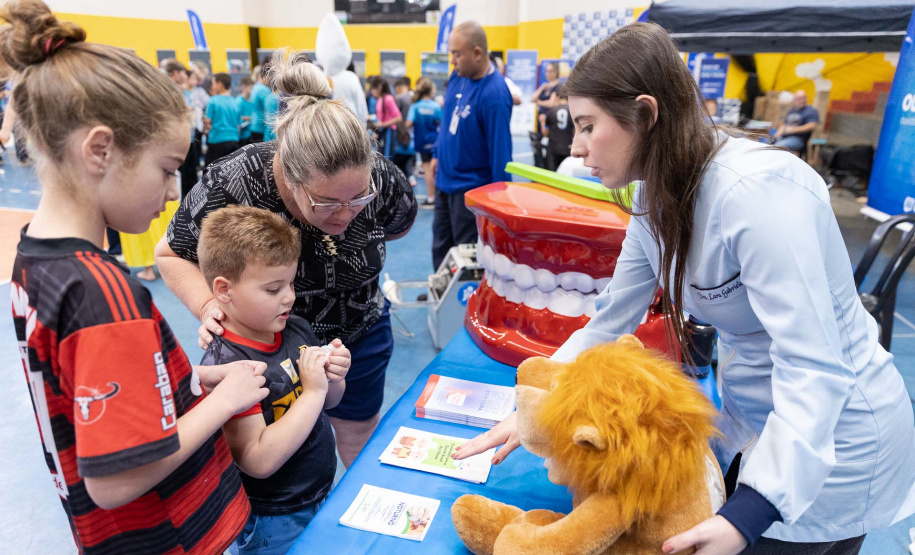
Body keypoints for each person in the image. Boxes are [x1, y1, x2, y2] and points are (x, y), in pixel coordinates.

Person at [454, 23, 915, 555]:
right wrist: (536, 407)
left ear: (646, 114)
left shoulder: (758, 196)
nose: (577, 148)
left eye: (587, 126)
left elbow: (813, 366)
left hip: (838, 439)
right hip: (755, 421)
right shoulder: (654, 199)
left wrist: (749, 513)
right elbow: (608, 321)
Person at [4, 1, 270, 553]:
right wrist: (223, 405)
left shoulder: (35, 260)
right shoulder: (103, 293)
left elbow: (93, 398)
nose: (173, 193)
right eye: (167, 169)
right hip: (188, 538)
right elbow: (115, 478)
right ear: (100, 150)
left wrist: (191, 381)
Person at [155, 48, 417, 468]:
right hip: (268, 349)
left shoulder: (380, 175)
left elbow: (401, 221)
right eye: (328, 203)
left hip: (359, 331)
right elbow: (169, 254)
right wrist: (207, 305)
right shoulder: (233, 182)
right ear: (289, 178)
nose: (348, 215)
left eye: (359, 199)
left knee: (358, 438)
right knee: (289, 454)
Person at [197, 205, 350, 554]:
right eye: (272, 289)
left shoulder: (295, 328)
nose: (289, 297)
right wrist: (312, 392)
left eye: (291, 283)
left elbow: (329, 402)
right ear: (224, 290)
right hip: (273, 516)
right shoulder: (228, 365)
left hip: (319, 491)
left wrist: (333, 378)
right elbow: (257, 460)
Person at [430, 21, 512, 270]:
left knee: (465, 261)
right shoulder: (458, 77)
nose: (452, 61)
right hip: (444, 182)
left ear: (477, 53)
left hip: (469, 192)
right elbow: (447, 121)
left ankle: (461, 307)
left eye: (456, 54)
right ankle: (440, 298)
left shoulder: (495, 94)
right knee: (441, 247)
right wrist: (436, 154)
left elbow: (501, 156)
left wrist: (498, 211)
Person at [406, 77, 442, 208]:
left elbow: (408, 123)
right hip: (435, 141)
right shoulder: (436, 106)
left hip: (421, 141)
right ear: (431, 91)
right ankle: (438, 197)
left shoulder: (415, 106)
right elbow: (441, 123)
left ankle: (431, 198)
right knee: (436, 169)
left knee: (427, 170)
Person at [204, 72, 241, 167]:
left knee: (211, 173)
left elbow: (208, 122)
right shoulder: (235, 102)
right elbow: (239, 125)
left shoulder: (213, 101)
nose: (212, 86)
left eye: (213, 83)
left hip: (217, 141)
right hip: (234, 141)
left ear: (220, 84)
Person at [367, 75, 403, 158]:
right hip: (383, 131)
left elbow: (398, 117)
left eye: (373, 88)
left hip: (389, 131)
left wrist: (382, 124)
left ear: (379, 87)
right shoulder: (380, 99)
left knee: (387, 158)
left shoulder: (388, 99)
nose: (372, 91)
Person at [539, 91, 573, 171]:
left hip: (553, 149)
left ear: (557, 98)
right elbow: (575, 131)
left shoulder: (551, 112)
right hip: (567, 148)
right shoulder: (572, 111)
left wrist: (542, 122)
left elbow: (545, 133)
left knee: (551, 176)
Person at [248, 64, 272, 143]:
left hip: (254, 124)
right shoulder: (264, 90)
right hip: (261, 126)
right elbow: (270, 107)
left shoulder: (255, 87)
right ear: (266, 77)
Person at [237, 76, 255, 145]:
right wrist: (250, 118)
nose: (252, 90)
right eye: (251, 88)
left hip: (250, 134)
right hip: (242, 136)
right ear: (243, 87)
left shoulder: (252, 100)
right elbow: (238, 118)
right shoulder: (239, 101)